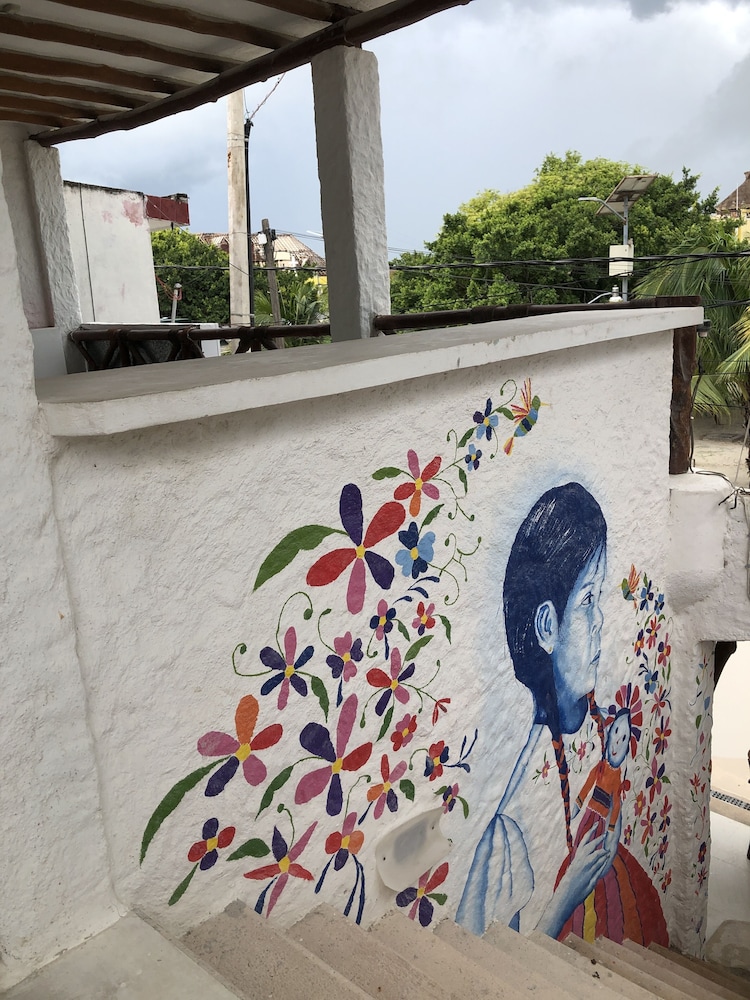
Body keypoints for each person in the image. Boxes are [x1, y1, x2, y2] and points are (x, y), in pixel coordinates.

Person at [456, 482, 667, 945]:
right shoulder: (510, 831)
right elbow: (483, 965)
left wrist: (611, 780)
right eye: (588, 600)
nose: (601, 620)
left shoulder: (591, 728)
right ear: (547, 626)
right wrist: (568, 892)